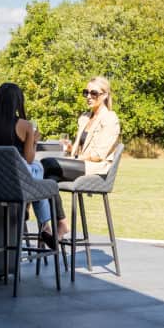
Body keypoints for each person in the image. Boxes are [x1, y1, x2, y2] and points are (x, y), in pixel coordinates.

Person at [42, 76, 120, 237]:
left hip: (96, 169)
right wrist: (71, 148)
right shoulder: (85, 117)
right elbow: (82, 150)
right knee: (47, 178)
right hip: (82, 163)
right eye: (86, 92)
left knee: (48, 163)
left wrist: (76, 158)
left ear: (105, 95)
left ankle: (26, 212)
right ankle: (57, 223)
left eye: (94, 93)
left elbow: (99, 155)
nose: (89, 97)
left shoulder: (110, 118)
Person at [0, 82, 57, 249]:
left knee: (36, 174)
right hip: (18, 184)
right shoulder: (25, 125)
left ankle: (36, 215)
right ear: (18, 102)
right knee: (38, 168)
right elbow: (29, 159)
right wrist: (34, 141)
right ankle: (44, 224)